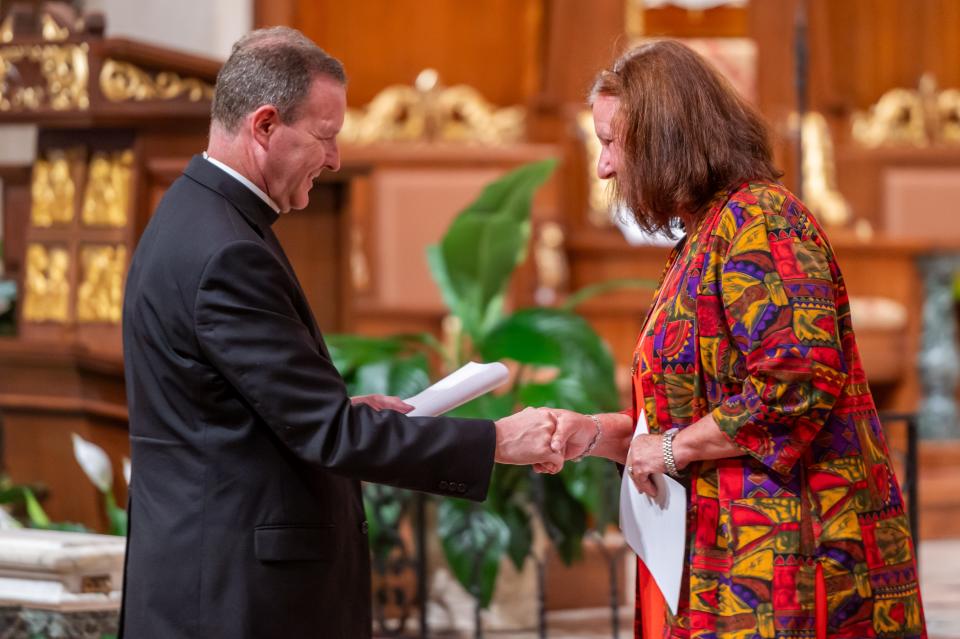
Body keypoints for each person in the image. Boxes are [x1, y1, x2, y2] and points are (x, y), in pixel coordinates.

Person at [119, 27, 561, 639]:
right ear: (266, 126)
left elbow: (226, 411)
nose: (334, 159)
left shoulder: (192, 215)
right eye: (325, 137)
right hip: (232, 598)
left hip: (207, 578)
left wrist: (340, 409)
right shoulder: (226, 251)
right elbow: (329, 435)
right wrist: (497, 442)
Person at [546, 41, 926, 639]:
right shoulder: (712, 230)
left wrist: (671, 451)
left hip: (793, 557)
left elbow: (796, 383)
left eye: (611, 142)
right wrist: (598, 433)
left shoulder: (762, 221)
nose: (604, 168)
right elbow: (697, 401)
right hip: (735, 553)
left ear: (665, 137)